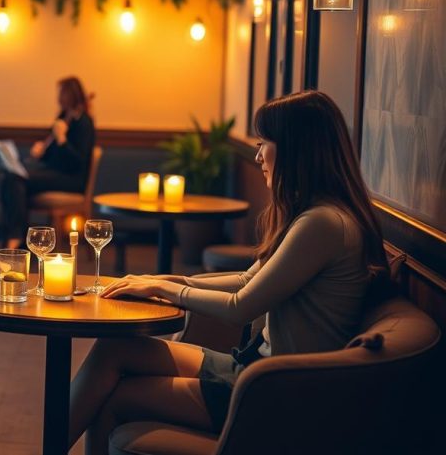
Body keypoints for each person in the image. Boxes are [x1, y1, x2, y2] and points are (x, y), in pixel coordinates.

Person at [67, 90, 392, 453]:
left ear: (296, 149)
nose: (257, 156)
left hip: (274, 392)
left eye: (264, 143)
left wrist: (169, 291)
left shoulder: (323, 223)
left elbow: (242, 305)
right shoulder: (315, 214)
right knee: (114, 349)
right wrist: (166, 282)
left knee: (116, 397)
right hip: (253, 368)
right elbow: (247, 279)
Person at [0, 76, 96, 256]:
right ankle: (14, 239)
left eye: (61, 93)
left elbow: (76, 162)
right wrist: (41, 151)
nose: (58, 98)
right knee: (11, 178)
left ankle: (14, 239)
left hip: (71, 179)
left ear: (70, 95)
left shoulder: (84, 122)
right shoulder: (63, 117)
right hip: (54, 173)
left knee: (15, 178)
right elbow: (53, 157)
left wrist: (62, 139)